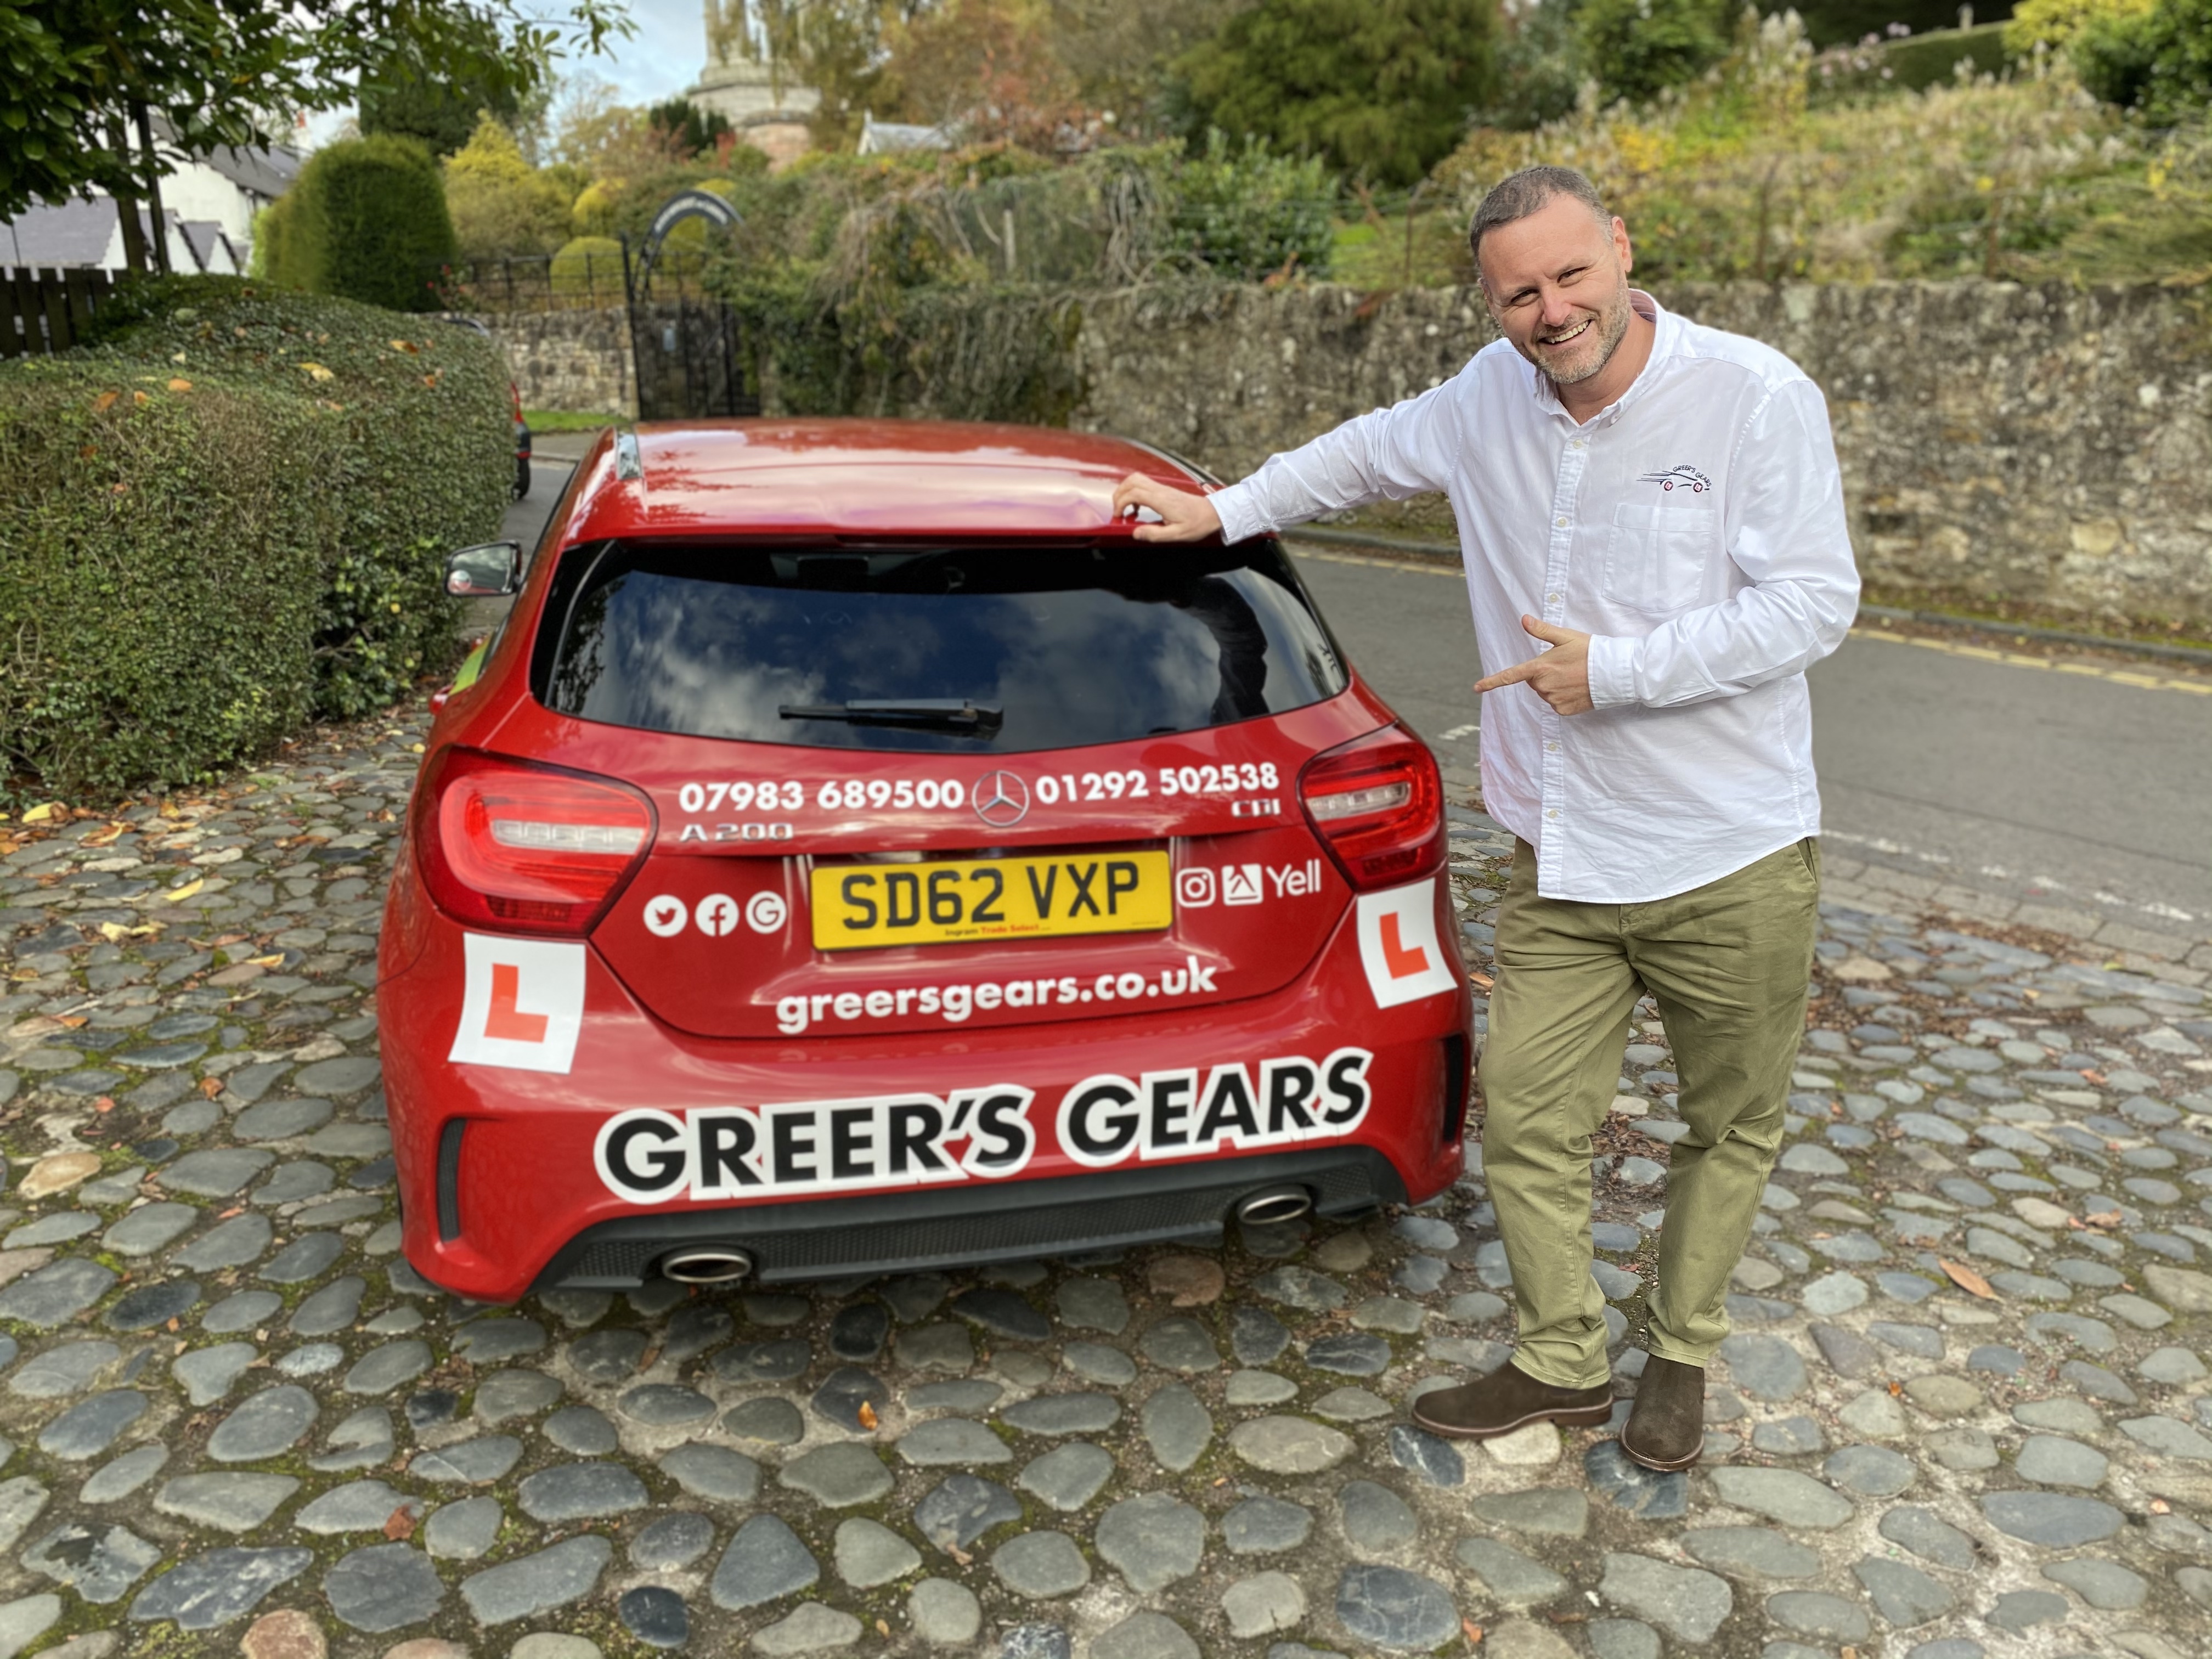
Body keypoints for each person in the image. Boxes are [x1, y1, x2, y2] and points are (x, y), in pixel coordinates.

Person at [1110, 165, 1859, 1471]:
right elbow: (1356, 456)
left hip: (1730, 853)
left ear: (1622, 248)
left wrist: (1615, 671)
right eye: (1520, 295)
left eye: (1572, 276)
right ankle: (1562, 1360)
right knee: (1523, 1121)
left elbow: (1812, 604)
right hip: (1560, 852)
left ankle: (1680, 1350)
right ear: (1490, 301)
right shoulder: (1482, 399)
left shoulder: (1754, 396)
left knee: (1728, 1125)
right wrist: (1222, 511)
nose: (1553, 312)